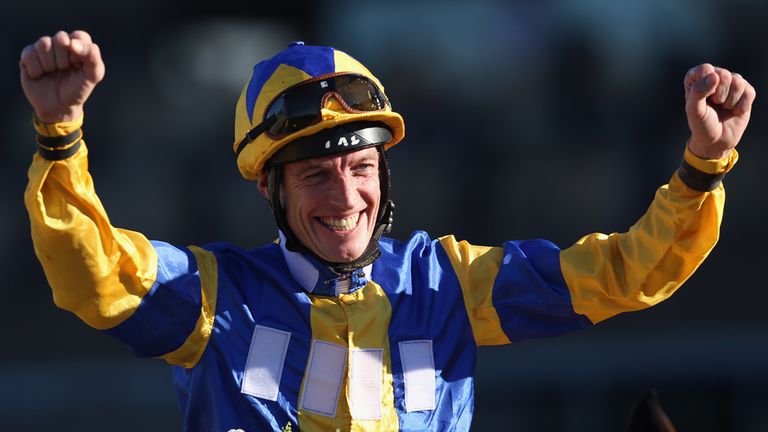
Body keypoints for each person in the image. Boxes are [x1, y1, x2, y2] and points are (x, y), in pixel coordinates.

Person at [21, 30, 755, 432]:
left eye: (362, 167)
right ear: (268, 188)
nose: (346, 196)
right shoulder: (214, 299)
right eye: (316, 174)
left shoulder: (449, 284)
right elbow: (93, 273)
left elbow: (625, 273)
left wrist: (703, 167)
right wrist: (60, 135)